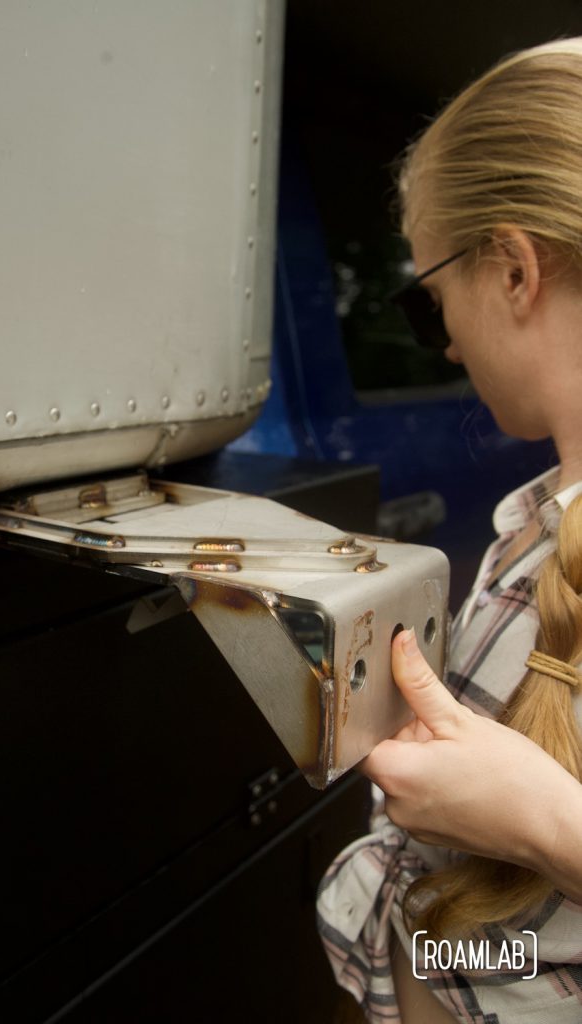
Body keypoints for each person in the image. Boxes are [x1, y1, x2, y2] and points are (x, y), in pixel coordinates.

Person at [317, 38, 582, 1024]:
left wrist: (548, 826)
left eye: (430, 295)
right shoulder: (533, 520)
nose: (444, 339)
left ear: (511, 269)